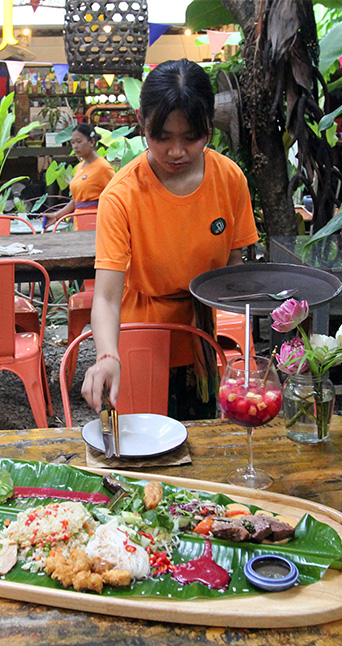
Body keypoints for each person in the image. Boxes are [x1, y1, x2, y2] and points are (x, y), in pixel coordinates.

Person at [81, 59, 259, 420]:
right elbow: (106, 297)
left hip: (200, 339)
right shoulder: (122, 195)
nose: (177, 152)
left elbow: (234, 273)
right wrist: (107, 356)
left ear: (210, 124)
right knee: (139, 455)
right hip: (139, 338)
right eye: (162, 137)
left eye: (191, 137)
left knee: (199, 447)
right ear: (140, 120)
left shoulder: (230, 180)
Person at [42, 123, 114, 230]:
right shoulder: (80, 167)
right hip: (79, 221)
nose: (75, 146)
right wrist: (56, 216)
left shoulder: (103, 167)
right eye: (72, 143)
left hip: (97, 223)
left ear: (92, 142)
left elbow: (117, 197)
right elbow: (77, 200)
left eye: (79, 142)